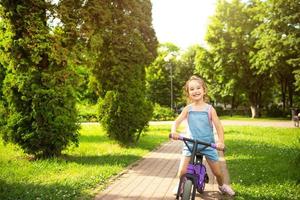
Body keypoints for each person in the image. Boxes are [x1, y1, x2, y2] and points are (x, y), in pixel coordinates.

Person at [171, 75, 235, 196]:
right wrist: (174, 131)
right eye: (192, 89)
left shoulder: (210, 109)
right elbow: (177, 121)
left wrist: (220, 141)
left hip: (207, 145)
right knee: (182, 171)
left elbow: (219, 127)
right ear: (188, 93)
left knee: (218, 173)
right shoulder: (187, 109)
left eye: (198, 88)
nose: (195, 91)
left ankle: (222, 186)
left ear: (204, 90)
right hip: (190, 144)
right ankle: (181, 184)